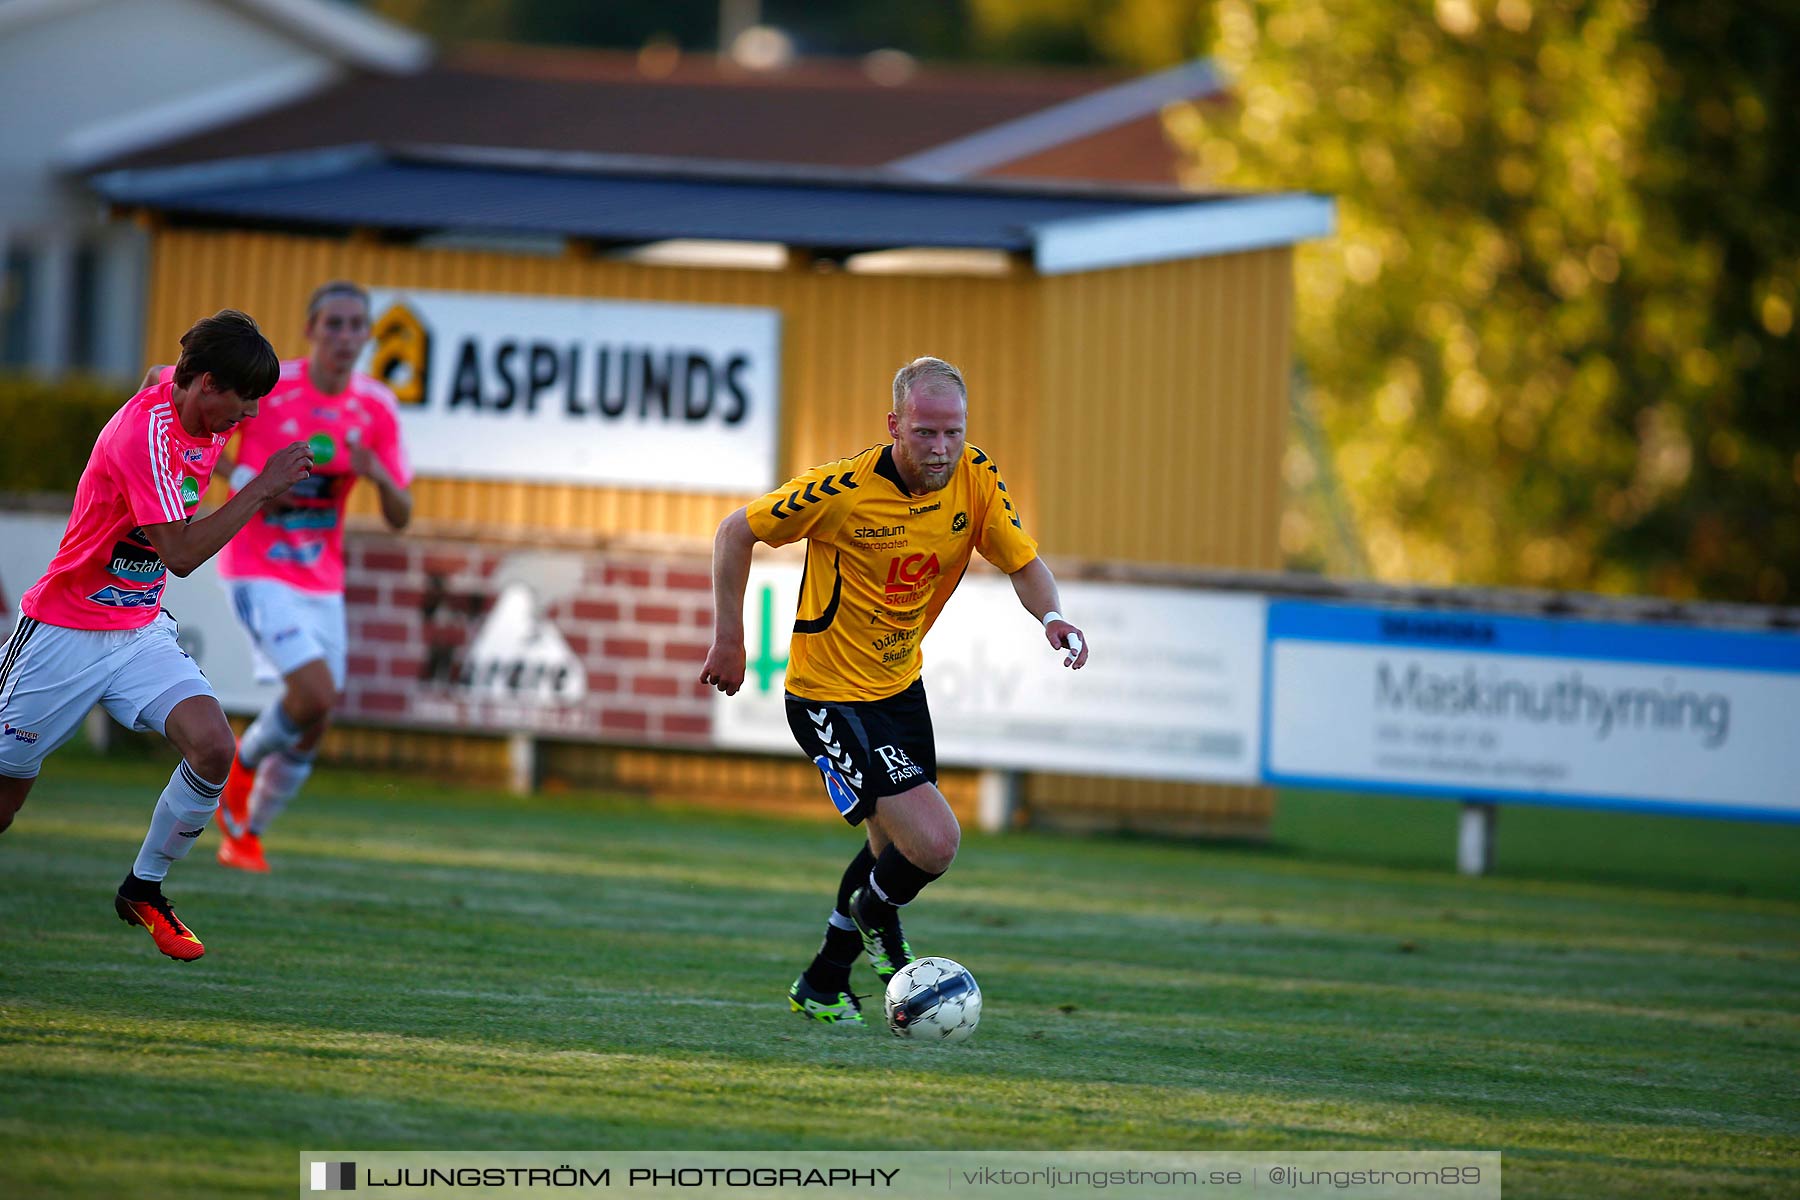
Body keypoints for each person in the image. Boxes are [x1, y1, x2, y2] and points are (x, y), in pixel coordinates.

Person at [699, 356, 1089, 1025]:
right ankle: (877, 920)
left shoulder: (976, 478)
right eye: (925, 432)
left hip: (899, 687)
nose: (940, 448)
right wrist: (729, 639)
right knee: (935, 843)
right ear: (894, 426)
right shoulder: (842, 488)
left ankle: (822, 982)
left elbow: (1023, 561)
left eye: (952, 433)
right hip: (827, 694)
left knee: (894, 851)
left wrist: (1052, 616)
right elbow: (736, 531)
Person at [0, 311, 313, 960]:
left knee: (213, 747)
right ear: (203, 386)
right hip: (63, 631)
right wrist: (257, 490)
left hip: (138, 630)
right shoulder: (142, 438)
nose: (244, 421)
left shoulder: (183, 390)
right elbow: (181, 553)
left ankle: (143, 888)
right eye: (238, 407)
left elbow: (155, 374)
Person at [148, 281, 413, 872]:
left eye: (355, 326)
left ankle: (246, 834)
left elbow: (402, 516)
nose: (345, 337)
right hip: (258, 567)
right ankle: (239, 768)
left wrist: (378, 478)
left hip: (323, 579)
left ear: (368, 336)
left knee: (315, 716)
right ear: (311, 330)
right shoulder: (272, 389)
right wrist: (247, 481)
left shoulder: (374, 408)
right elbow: (179, 399)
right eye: (334, 324)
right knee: (316, 693)